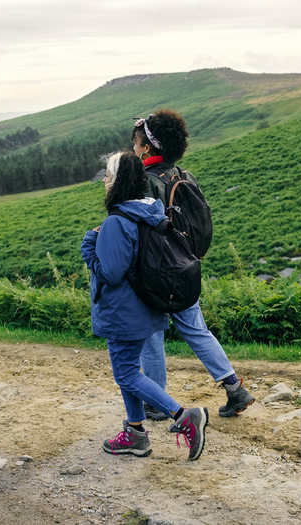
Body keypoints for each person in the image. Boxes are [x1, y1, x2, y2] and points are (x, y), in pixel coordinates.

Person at [81, 150, 209, 460]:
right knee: (129, 370)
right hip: (147, 307)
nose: (104, 182)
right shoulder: (150, 212)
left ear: (118, 181)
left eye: (108, 177)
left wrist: (89, 248)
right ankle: (135, 433)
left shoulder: (116, 221)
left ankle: (183, 416)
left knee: (126, 373)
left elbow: (110, 273)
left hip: (123, 312)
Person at [131, 110, 256, 420]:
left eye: (136, 142)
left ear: (147, 147)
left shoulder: (144, 182)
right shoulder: (186, 176)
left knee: (152, 333)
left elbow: (138, 230)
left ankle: (157, 402)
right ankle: (234, 388)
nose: (133, 147)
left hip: (156, 273)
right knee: (197, 330)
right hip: (187, 267)